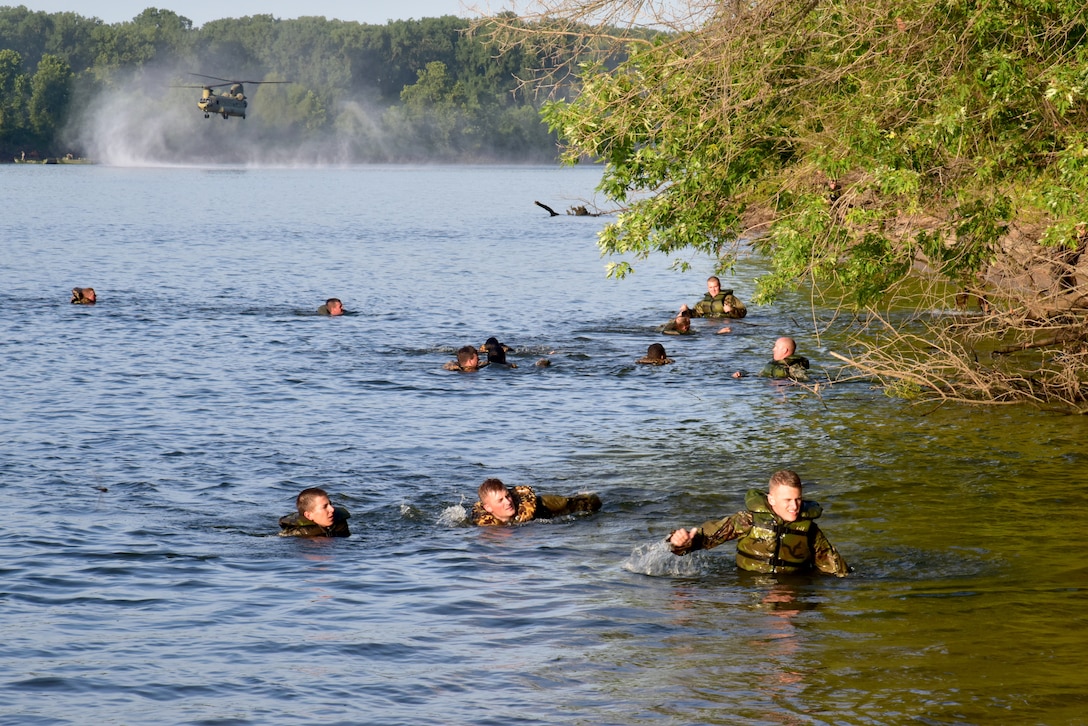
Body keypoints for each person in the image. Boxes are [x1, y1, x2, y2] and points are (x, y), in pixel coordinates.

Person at [668, 470, 848, 577]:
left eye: (798, 499)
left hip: (793, 590)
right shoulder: (748, 521)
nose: (794, 506)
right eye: (787, 500)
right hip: (750, 587)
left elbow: (836, 571)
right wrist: (682, 543)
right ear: (771, 499)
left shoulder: (809, 531)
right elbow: (705, 538)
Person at [470, 478, 602, 526]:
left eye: (508, 496)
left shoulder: (539, 504)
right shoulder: (483, 524)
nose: (508, 501)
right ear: (488, 508)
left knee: (585, 504)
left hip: (545, 505)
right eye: (500, 500)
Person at [278, 487, 351, 537]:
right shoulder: (296, 535)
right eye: (324, 507)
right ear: (309, 515)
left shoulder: (340, 525)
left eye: (330, 504)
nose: (332, 509)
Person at [683, 276, 747, 319]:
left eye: (715, 287)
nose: (713, 290)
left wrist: (731, 310)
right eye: (711, 287)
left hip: (725, 324)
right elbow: (695, 314)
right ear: (708, 288)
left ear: (720, 286)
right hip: (709, 326)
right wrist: (686, 310)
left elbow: (743, 312)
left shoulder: (729, 298)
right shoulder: (704, 302)